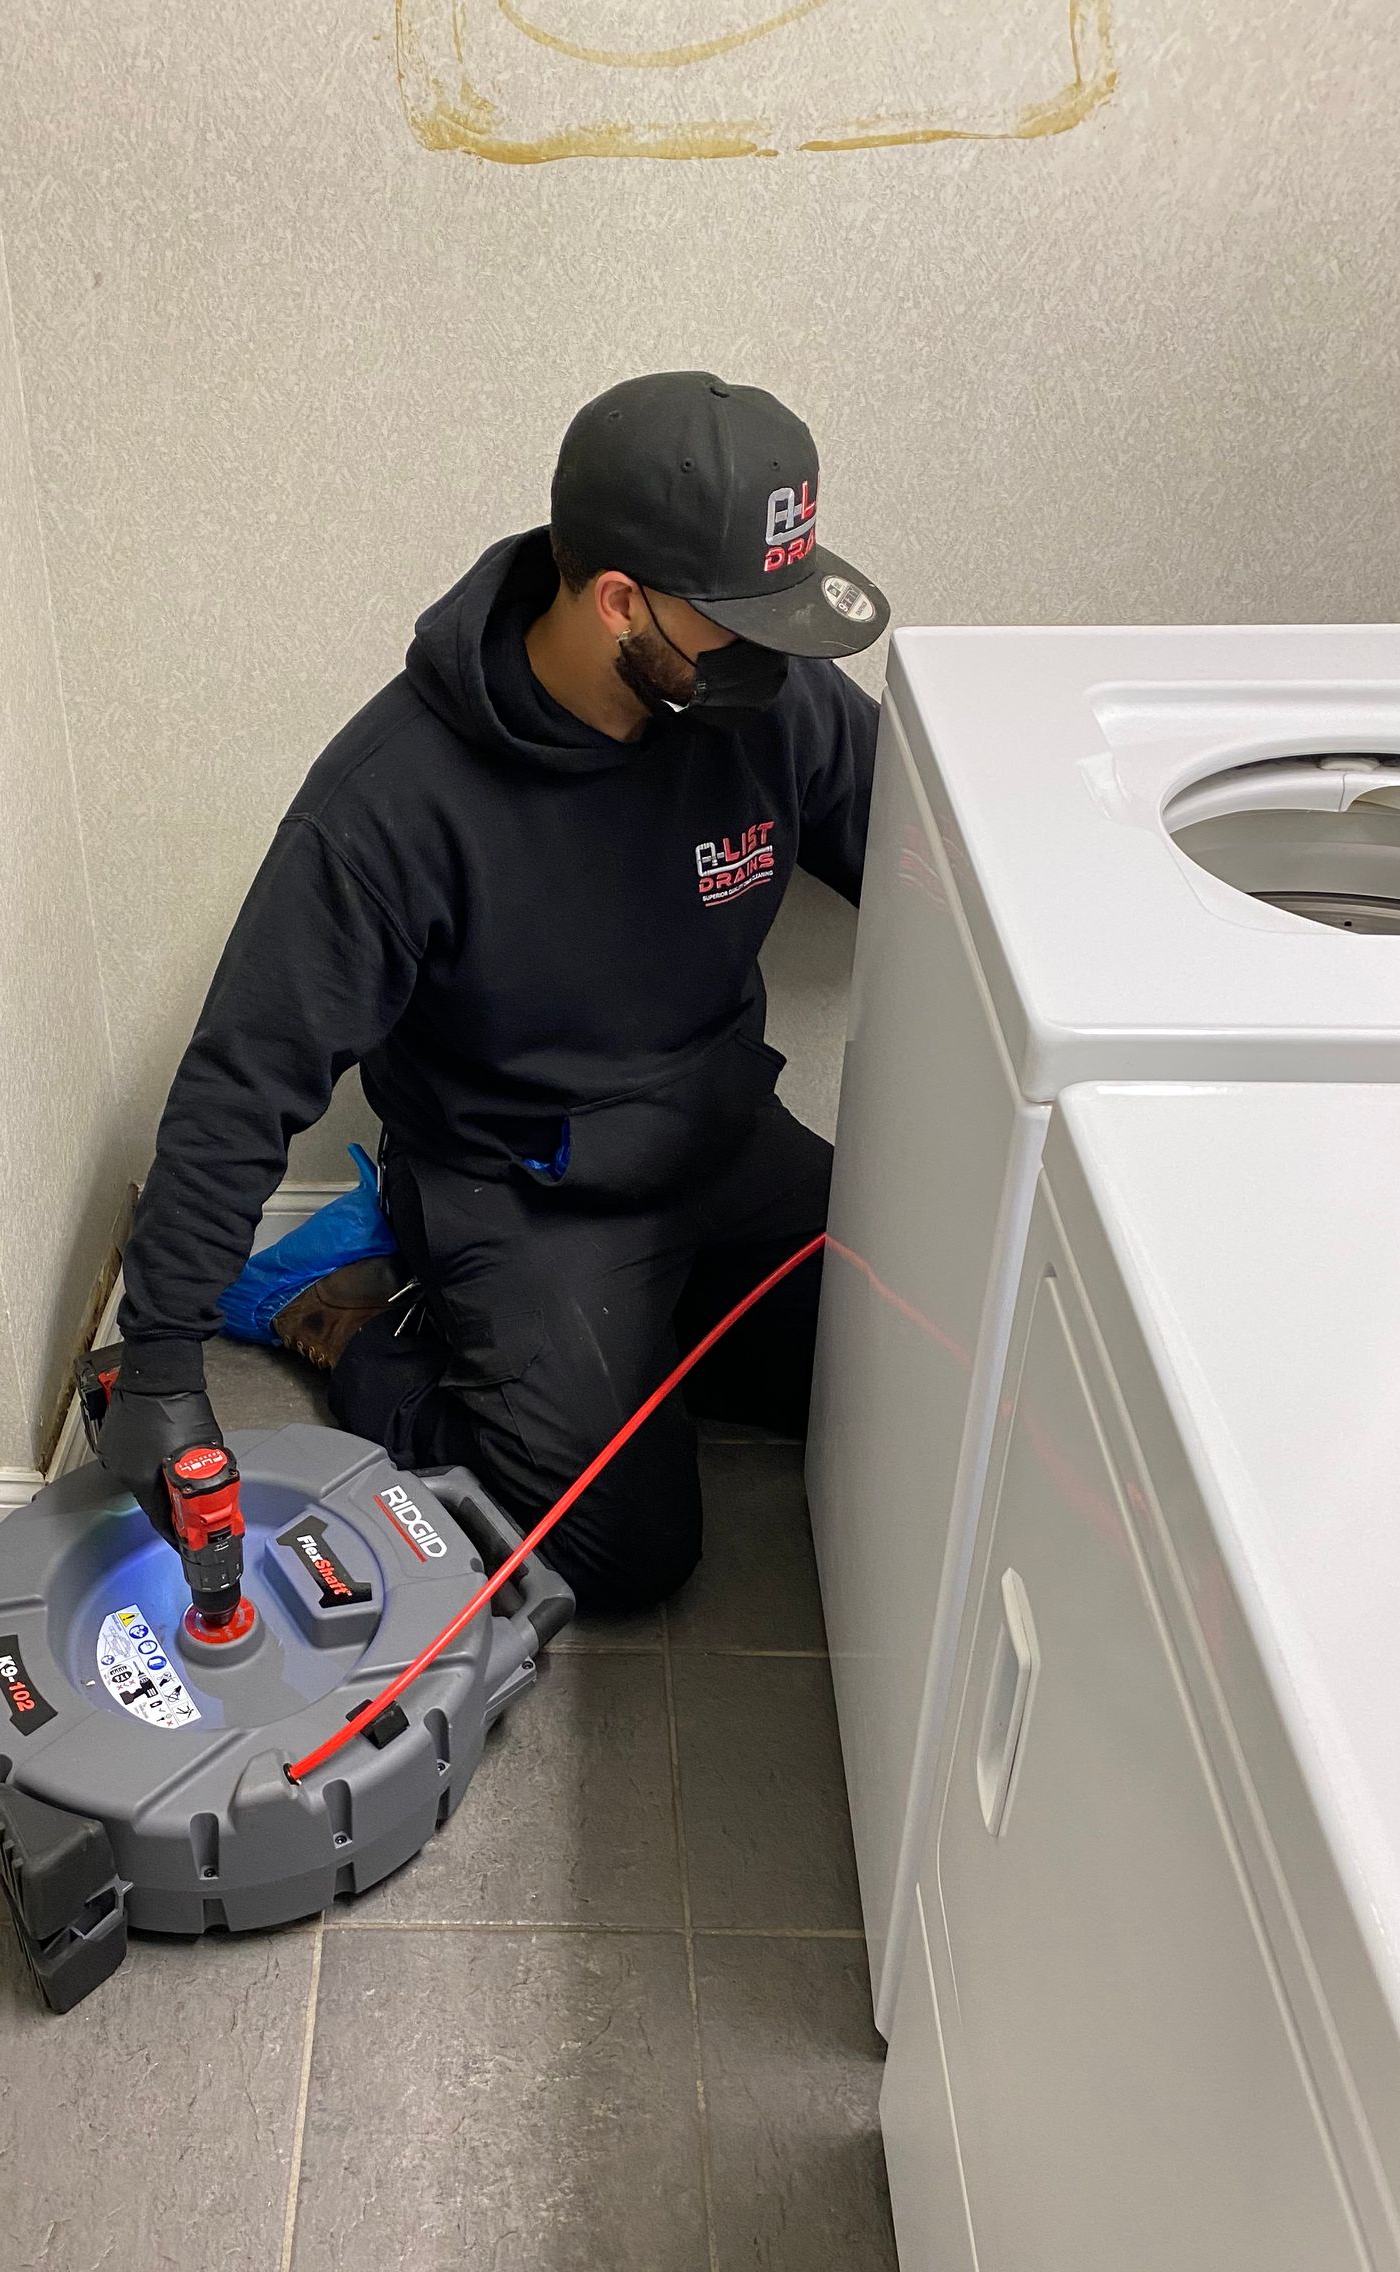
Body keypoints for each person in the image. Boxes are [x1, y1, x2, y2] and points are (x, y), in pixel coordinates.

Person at [99, 370, 886, 1612]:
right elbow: (247, 1071)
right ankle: (373, 1336)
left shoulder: (771, 702)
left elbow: (929, 856)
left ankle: (634, 1348)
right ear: (620, 601)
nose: (776, 658)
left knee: (905, 1382)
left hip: (725, 1141)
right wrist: (157, 1364)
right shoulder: (396, 799)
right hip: (522, 1193)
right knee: (630, 1551)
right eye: (742, 618)